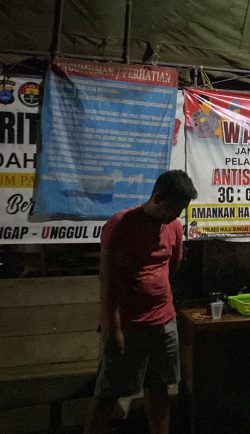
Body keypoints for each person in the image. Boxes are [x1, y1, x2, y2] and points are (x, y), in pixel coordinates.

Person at [84, 170, 197, 434]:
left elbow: (172, 267)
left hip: (164, 322)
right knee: (107, 394)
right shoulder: (120, 225)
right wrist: (114, 329)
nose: (177, 215)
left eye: (181, 210)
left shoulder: (174, 227)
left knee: (159, 388)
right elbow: (108, 279)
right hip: (128, 324)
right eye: (175, 209)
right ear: (157, 199)